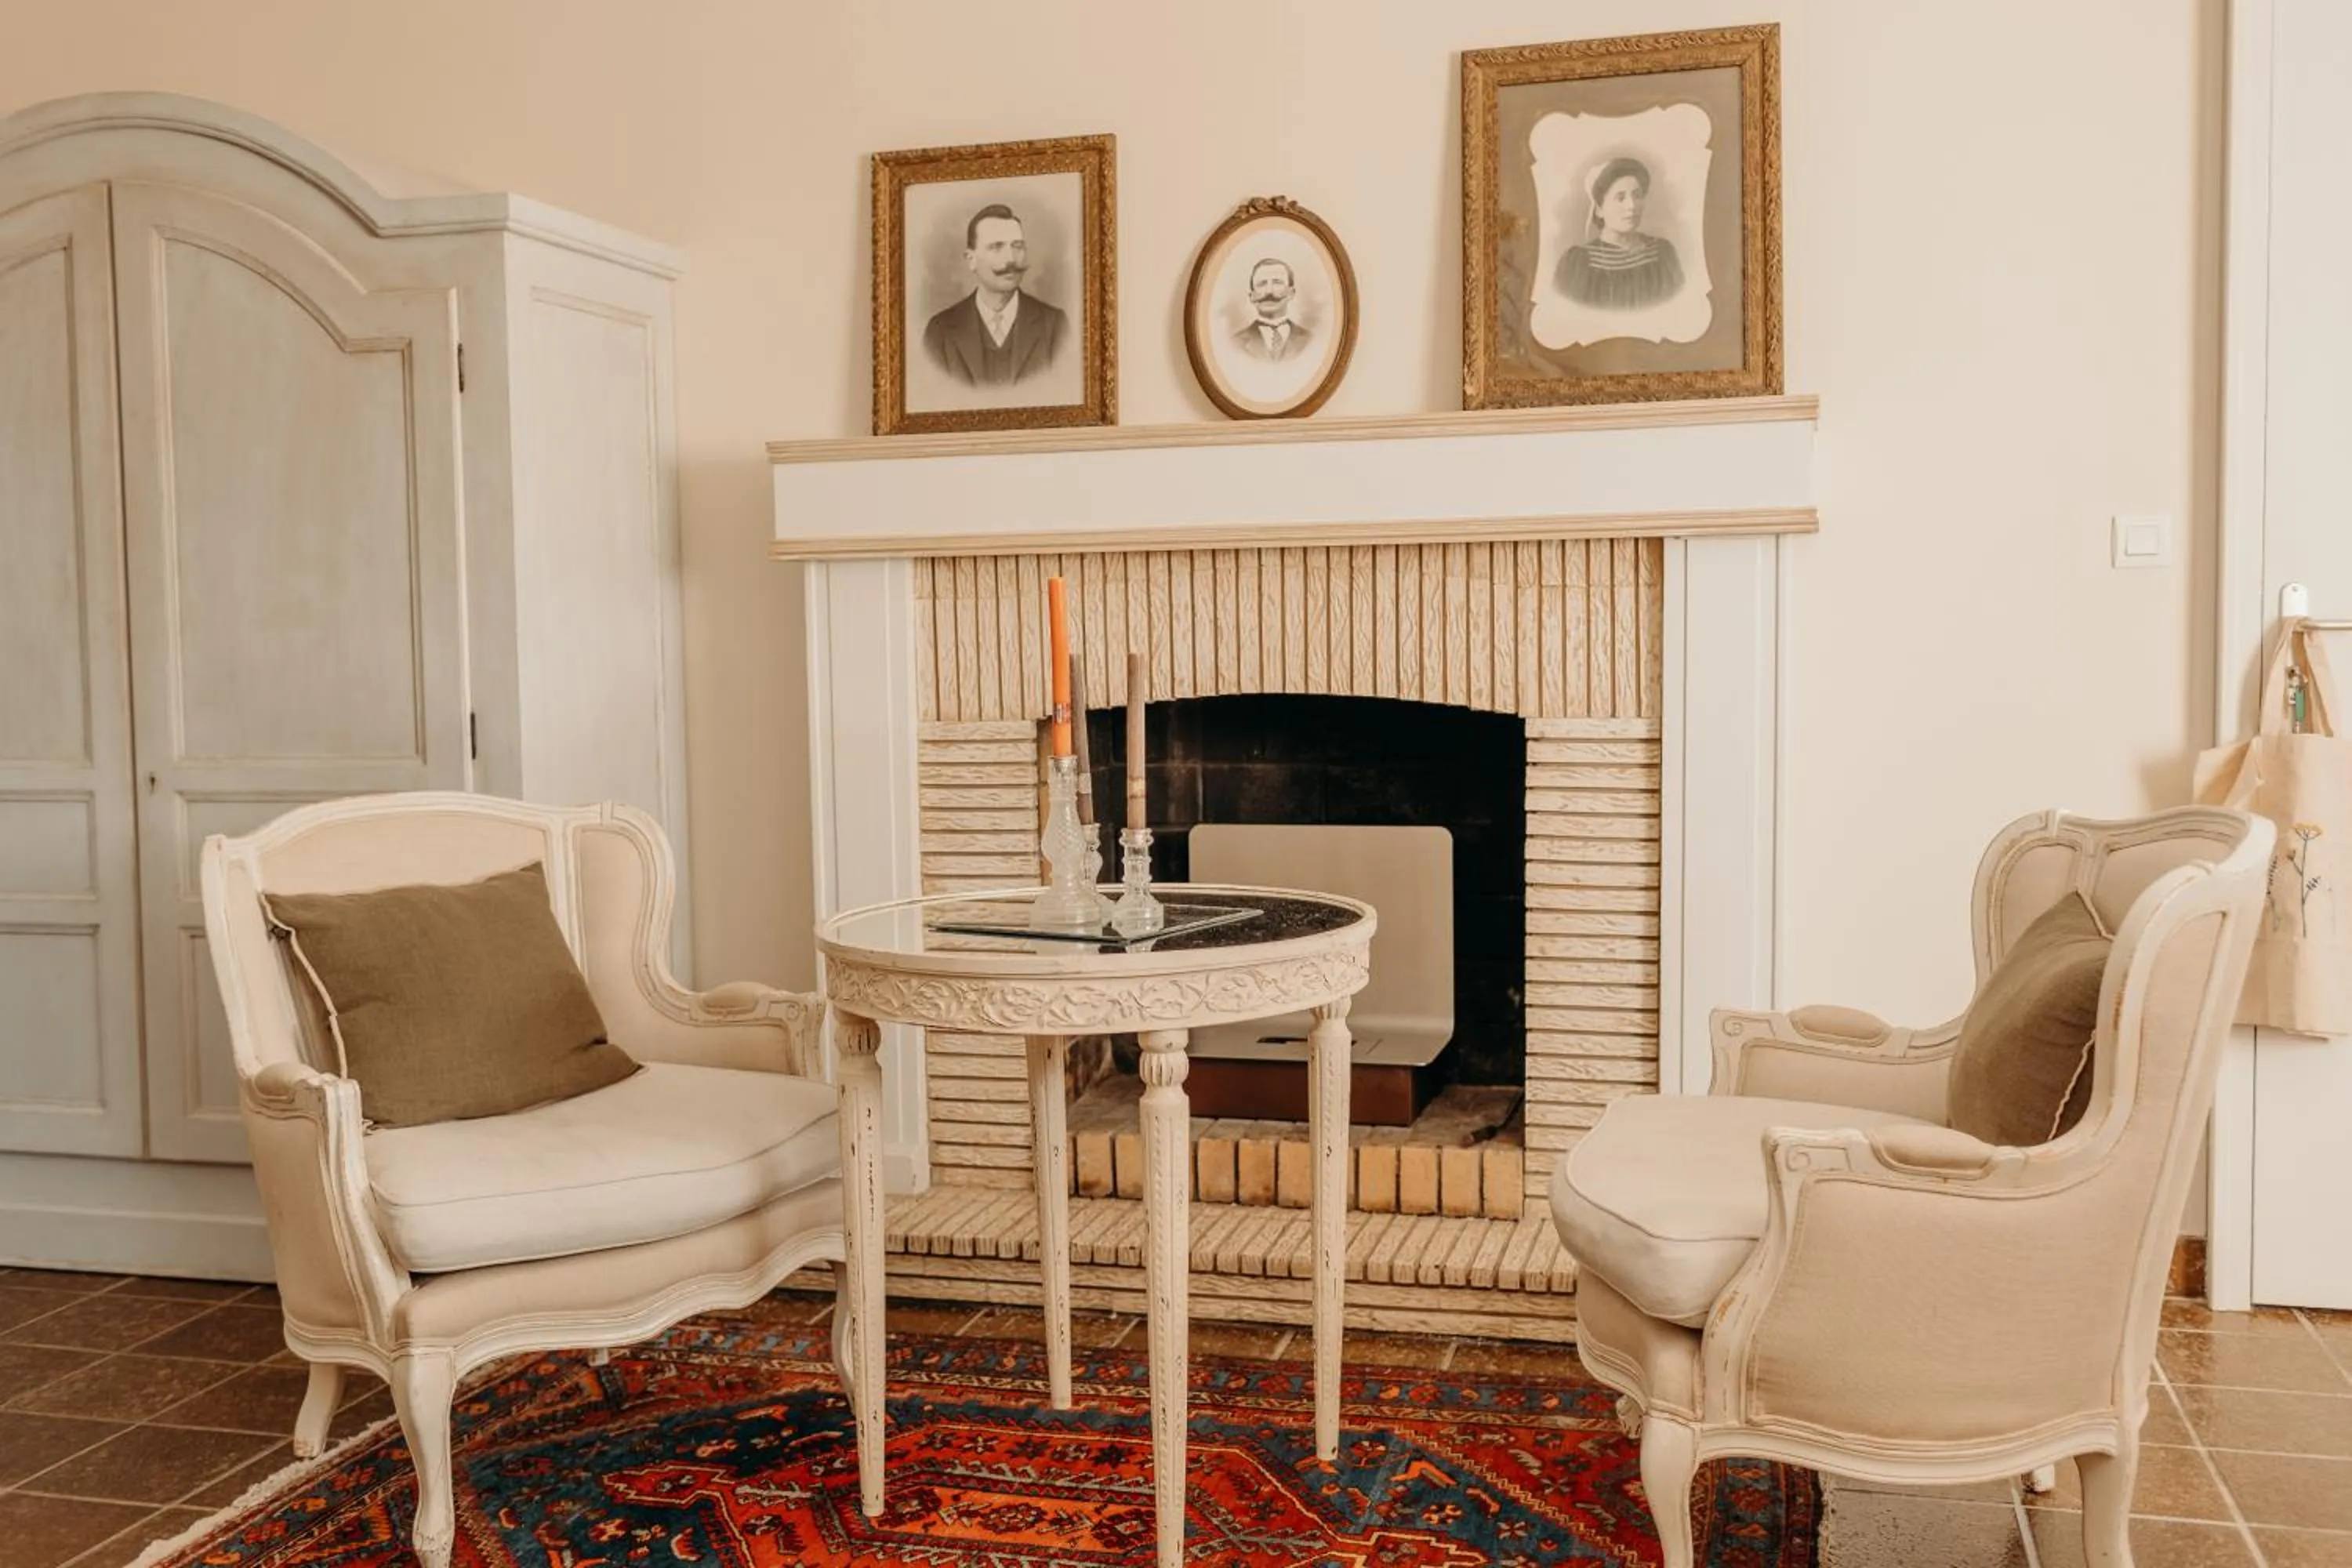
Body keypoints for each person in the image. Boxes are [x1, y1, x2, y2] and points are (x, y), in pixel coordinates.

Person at [923, 204, 1069, 387]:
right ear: (971, 260)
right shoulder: (940, 332)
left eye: (1018, 246)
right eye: (996, 247)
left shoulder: (1055, 326)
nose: (1010, 258)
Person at [1555, 156, 1684, 311]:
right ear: (1599, 209)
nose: (1632, 206)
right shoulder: (1579, 263)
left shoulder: (1662, 253)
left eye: (1637, 196)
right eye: (1620, 198)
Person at [1232, 257, 1312, 362]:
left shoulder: (1312, 342)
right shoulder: (1235, 344)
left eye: (1277, 282)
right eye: (1262, 284)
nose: (1269, 291)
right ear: (1252, 296)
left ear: (1291, 293)